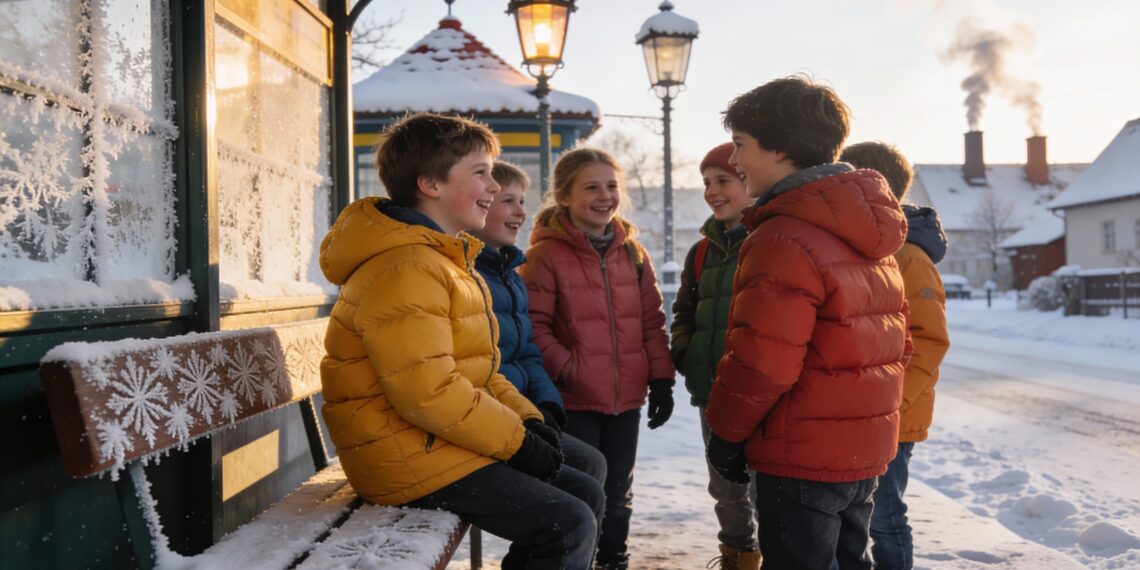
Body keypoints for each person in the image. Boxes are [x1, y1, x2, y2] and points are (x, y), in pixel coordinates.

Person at [319, 112, 596, 570]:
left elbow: (479, 372)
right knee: (567, 522)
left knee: (581, 487)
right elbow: (428, 392)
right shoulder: (406, 268)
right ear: (431, 184)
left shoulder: (445, 261)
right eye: (481, 173)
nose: (492, 186)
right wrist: (517, 444)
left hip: (425, 443)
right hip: (403, 458)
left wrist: (529, 421)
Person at [704, 77, 910, 570]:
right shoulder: (868, 232)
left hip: (799, 456)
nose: (733, 161)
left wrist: (726, 434)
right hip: (860, 455)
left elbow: (763, 360)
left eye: (740, 145)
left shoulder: (784, 236)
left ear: (779, 150)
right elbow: (896, 346)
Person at [520, 147, 675, 570]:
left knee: (619, 490)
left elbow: (651, 322)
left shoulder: (633, 255)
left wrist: (661, 379)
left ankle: (614, 560)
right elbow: (534, 328)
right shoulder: (545, 257)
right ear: (564, 196)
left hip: (626, 398)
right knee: (584, 488)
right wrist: (570, 370)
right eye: (591, 187)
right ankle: (580, 560)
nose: (605, 195)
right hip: (573, 399)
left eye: (611, 186)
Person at [470, 160, 608, 565]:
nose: (520, 211)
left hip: (516, 410)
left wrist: (545, 406)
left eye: (521, 200)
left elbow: (526, 350)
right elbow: (476, 369)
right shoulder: (469, 274)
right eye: (505, 200)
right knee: (575, 511)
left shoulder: (510, 272)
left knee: (590, 464)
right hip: (487, 417)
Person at [841, 141, 950, 570]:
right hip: (865, 413)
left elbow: (929, 340)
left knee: (885, 517)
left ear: (877, 186)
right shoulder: (866, 246)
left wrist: (891, 402)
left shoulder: (908, 256)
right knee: (861, 513)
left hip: (894, 418)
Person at [670, 142, 761, 570]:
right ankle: (737, 557)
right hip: (713, 393)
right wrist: (685, 351)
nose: (711, 191)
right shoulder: (702, 251)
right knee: (725, 489)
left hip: (763, 396)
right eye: (707, 182)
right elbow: (684, 311)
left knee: (766, 490)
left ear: (749, 180)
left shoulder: (767, 241)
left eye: (723, 180)